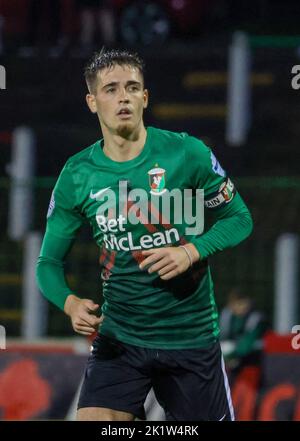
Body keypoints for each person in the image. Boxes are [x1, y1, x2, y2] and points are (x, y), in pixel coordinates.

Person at [36, 48, 253, 421]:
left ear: (145, 97)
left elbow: (239, 218)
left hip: (189, 338)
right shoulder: (77, 174)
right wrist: (70, 303)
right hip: (119, 340)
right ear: (92, 101)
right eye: (111, 89)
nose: (123, 96)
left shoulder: (187, 152)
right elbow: (48, 263)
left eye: (133, 87)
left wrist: (191, 251)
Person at [220, 288, 268, 374]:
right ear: (230, 305)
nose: (242, 307)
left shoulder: (256, 319)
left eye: (244, 303)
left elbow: (246, 345)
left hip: (251, 362)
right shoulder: (225, 317)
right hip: (229, 362)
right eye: (237, 304)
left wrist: (232, 355)